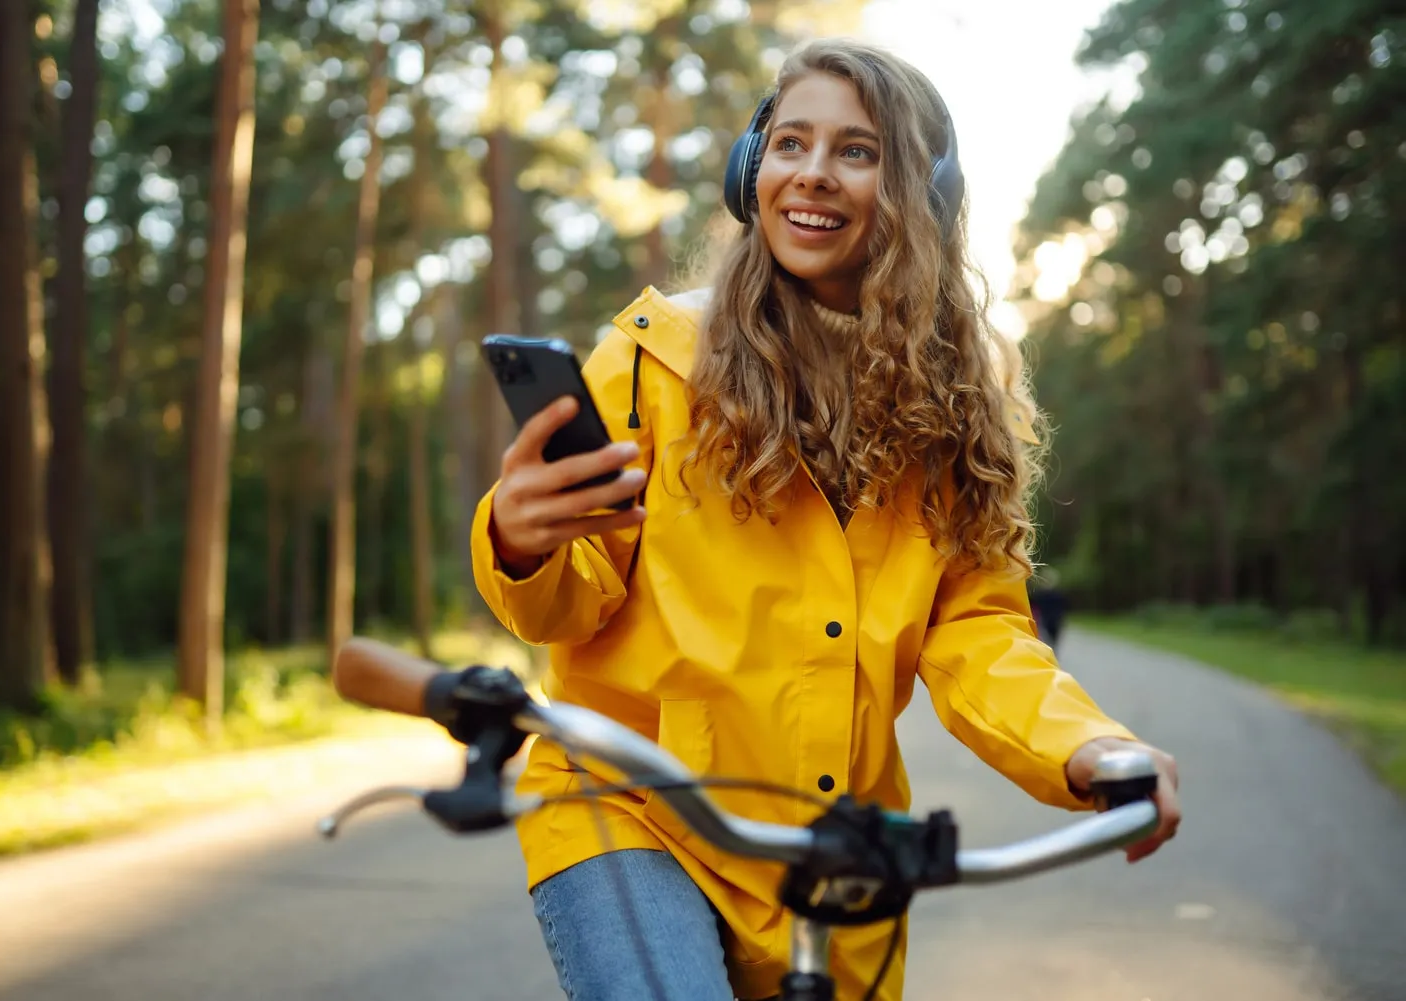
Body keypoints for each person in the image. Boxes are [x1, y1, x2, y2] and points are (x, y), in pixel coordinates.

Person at [469, 37, 1179, 1001]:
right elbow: (570, 604)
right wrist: (520, 536)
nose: (811, 174)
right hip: (628, 808)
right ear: (748, 168)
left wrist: (1082, 745)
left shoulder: (967, 400)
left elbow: (977, 628)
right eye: (790, 142)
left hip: (832, 841)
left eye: (857, 150)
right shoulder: (654, 359)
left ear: (922, 191)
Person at [1028, 566, 1069, 652]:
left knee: (1049, 640)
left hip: (1051, 620)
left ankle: (1049, 653)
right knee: (1049, 640)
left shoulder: (1042, 595)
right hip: (1048, 620)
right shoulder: (1043, 595)